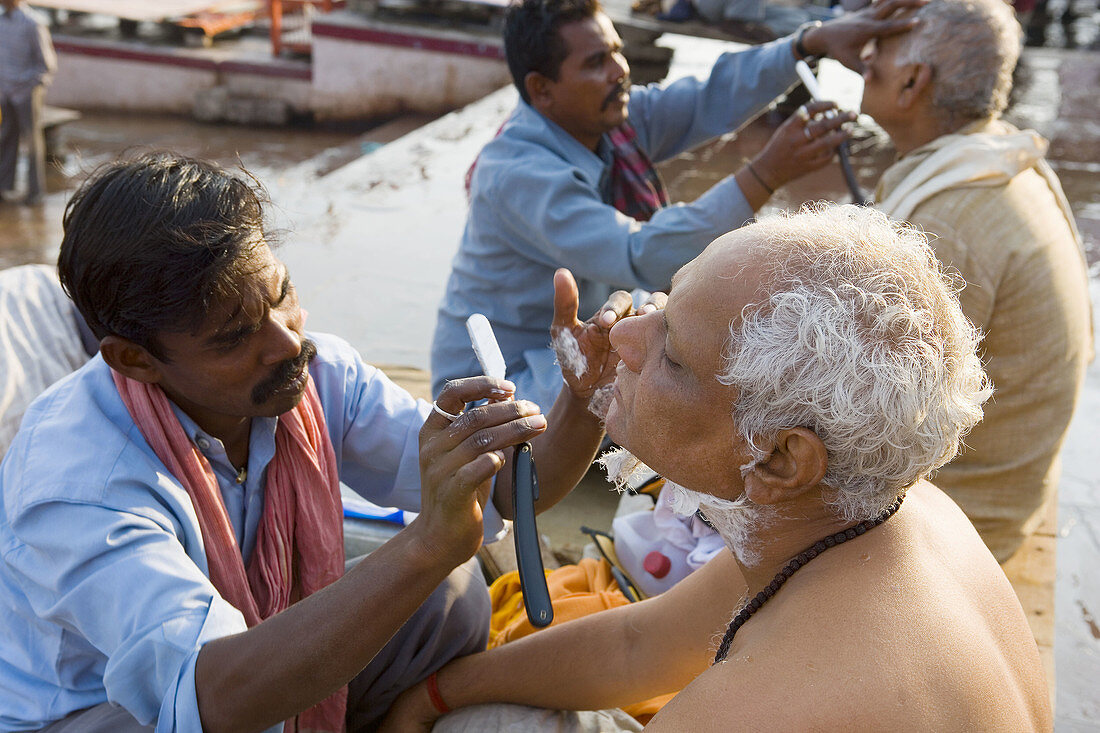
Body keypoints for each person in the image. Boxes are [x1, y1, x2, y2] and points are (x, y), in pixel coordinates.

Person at [0, 153, 629, 733]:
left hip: (232, 660)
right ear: (135, 359)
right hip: (99, 714)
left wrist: (585, 400)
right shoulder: (79, 482)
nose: (287, 344)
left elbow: (512, 488)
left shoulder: (315, 375)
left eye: (281, 297)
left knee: (450, 601)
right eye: (232, 337)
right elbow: (207, 699)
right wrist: (424, 545)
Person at [384, 204, 1052, 731]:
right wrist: (436, 693)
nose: (621, 334)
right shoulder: (893, 512)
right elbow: (639, 646)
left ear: (782, 456)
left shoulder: (750, 708)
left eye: (672, 354)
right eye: (662, 304)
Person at [430, 0, 926, 411]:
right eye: (595, 63)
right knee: (692, 354)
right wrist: (765, 173)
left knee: (696, 328)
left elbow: (710, 99)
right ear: (541, 89)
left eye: (616, 53)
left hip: (570, 349)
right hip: (499, 379)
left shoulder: (608, 121)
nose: (619, 71)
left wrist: (809, 42)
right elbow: (640, 255)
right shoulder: (517, 172)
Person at [860, 0, 1092, 563]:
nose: (863, 56)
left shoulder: (947, 220)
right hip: (1000, 491)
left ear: (913, 82)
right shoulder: (993, 161)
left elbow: (872, 425)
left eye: (880, 47)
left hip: (964, 525)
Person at [0, 0, 55, 205]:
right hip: (5, 93)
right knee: (6, 138)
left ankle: (35, 192)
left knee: (32, 141)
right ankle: (4, 187)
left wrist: (30, 88)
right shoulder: (1, 22)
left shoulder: (33, 23)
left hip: (26, 93)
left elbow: (47, 65)